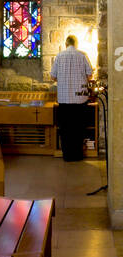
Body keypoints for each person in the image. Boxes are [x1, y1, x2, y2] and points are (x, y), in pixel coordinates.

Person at [52, 33, 96, 162]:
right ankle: (77, 156)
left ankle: (67, 156)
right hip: (80, 100)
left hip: (64, 100)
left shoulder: (59, 56)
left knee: (65, 129)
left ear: (66, 44)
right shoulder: (82, 55)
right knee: (78, 128)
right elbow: (89, 75)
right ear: (76, 44)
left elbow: (53, 76)